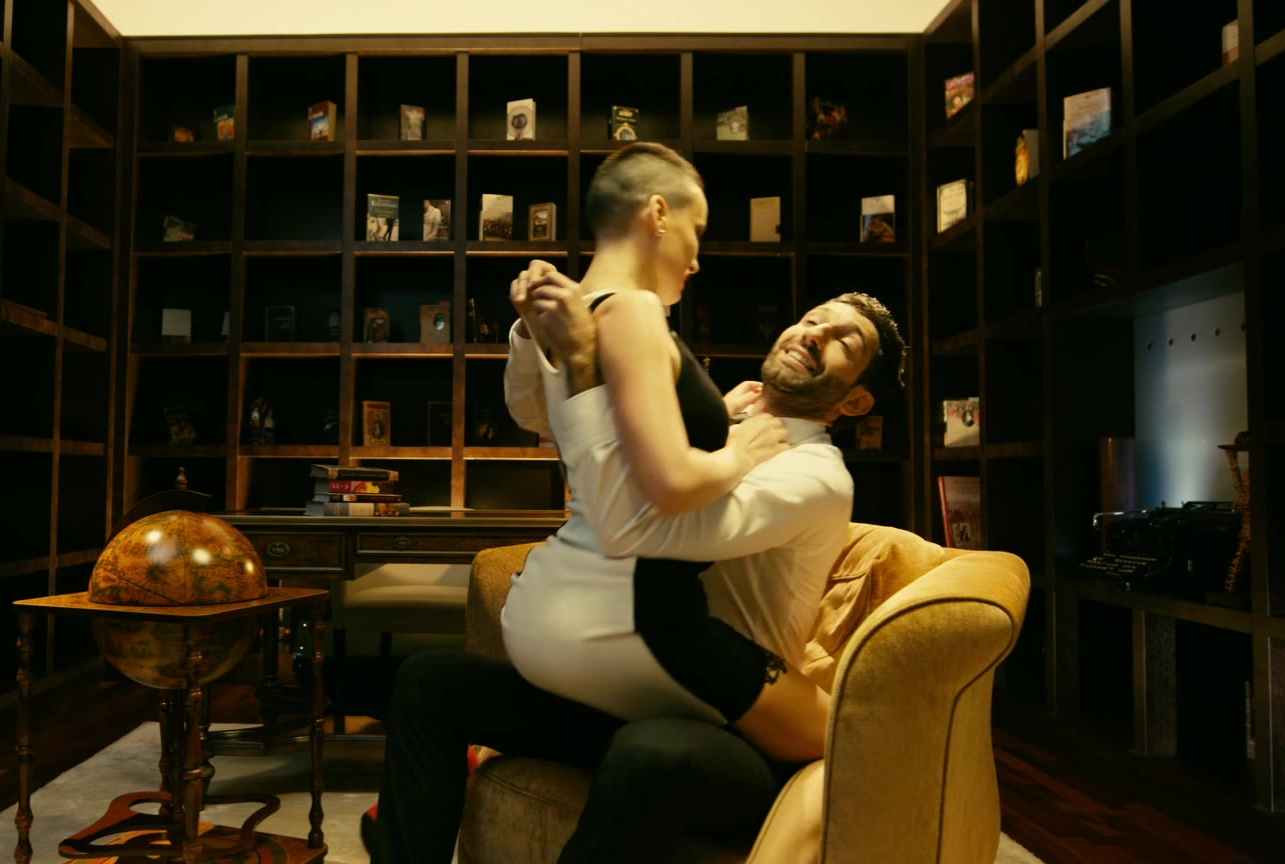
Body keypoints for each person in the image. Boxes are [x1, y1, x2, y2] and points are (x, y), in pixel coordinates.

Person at [367, 142, 907, 862]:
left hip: (725, 722)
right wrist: (535, 335)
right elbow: (543, 416)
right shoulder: (720, 420)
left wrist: (591, 367)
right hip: (639, 686)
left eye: (844, 341)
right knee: (428, 681)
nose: (815, 333)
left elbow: (646, 527)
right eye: (814, 317)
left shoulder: (816, 473)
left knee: (650, 751)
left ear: (856, 400)